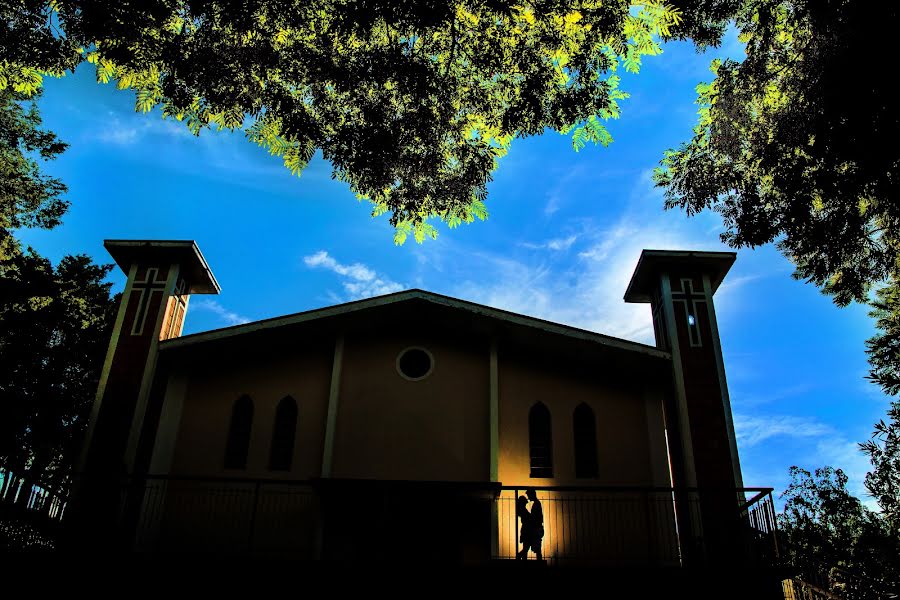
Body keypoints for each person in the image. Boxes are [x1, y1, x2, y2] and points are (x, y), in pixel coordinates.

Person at [525, 488, 544, 561]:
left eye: (529, 495)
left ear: (532, 495)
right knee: (537, 548)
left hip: (536, 529)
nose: (528, 497)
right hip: (537, 528)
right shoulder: (537, 503)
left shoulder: (536, 504)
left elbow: (536, 517)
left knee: (537, 548)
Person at [516, 495, 531, 560]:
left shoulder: (522, 510)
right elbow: (528, 519)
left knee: (526, 546)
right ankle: (519, 556)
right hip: (527, 530)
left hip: (525, 530)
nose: (526, 503)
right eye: (525, 502)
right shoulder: (523, 510)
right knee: (526, 547)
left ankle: (523, 559)